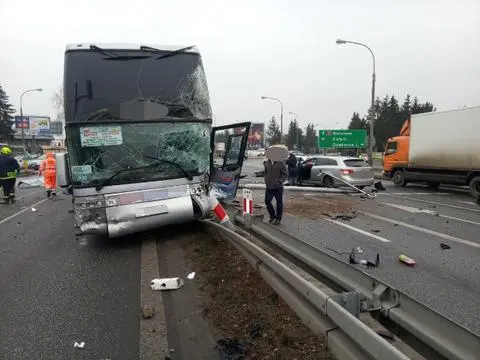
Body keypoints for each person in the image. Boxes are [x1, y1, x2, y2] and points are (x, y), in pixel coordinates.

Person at [264, 158, 288, 225]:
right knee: (267, 201)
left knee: (279, 203)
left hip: (278, 187)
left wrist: (279, 181)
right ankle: (272, 216)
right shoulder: (267, 162)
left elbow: (285, 174)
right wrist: (266, 180)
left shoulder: (281, 162)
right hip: (269, 187)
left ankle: (278, 218)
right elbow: (265, 172)